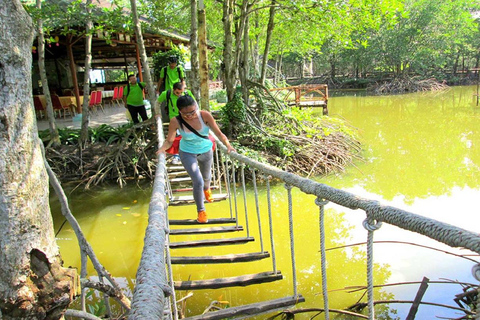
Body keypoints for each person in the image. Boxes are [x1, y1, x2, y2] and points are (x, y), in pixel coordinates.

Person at [157, 95, 236, 223]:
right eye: (185, 114)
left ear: (197, 107)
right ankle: (201, 211)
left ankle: (207, 189)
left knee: (206, 178)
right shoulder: (175, 121)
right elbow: (169, 140)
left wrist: (228, 145)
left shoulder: (205, 115)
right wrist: (162, 150)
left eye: (193, 112)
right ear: (179, 111)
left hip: (206, 151)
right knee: (197, 181)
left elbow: (219, 134)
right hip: (187, 152)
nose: (190, 116)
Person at [157, 81, 196, 165]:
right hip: (175, 120)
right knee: (176, 138)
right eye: (177, 92)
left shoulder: (187, 93)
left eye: (181, 92)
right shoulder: (166, 94)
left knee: (188, 137)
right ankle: (177, 156)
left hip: (187, 118)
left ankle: (190, 155)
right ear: (173, 90)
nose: (179, 94)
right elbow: (157, 102)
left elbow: (195, 103)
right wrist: (157, 113)